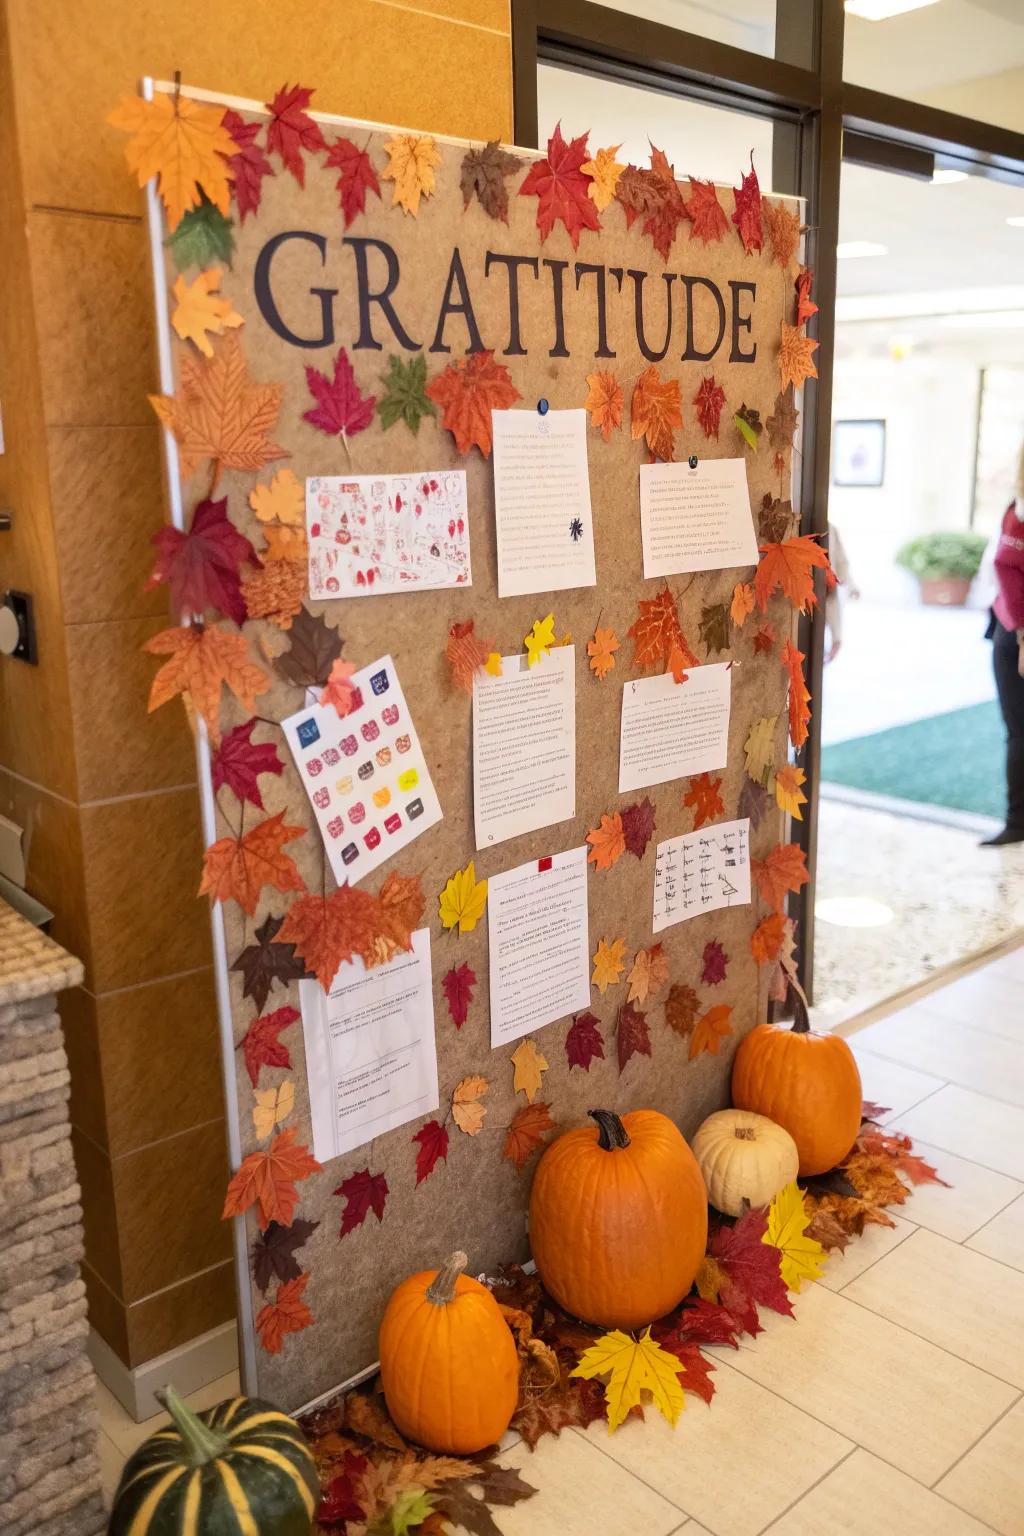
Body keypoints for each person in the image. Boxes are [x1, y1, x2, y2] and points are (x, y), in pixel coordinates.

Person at [982, 441, 1024, 847]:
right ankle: (1017, 822)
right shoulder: (1018, 511)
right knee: (1019, 731)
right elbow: (1007, 574)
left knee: (1019, 732)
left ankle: (1017, 822)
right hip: (1015, 634)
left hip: (1014, 632)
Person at [825, 524, 859, 662]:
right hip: (810, 588)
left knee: (834, 620)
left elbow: (842, 561)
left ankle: (834, 645)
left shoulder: (831, 529)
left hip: (829, 587)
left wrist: (852, 586)